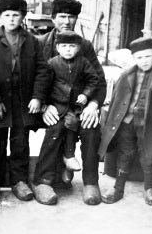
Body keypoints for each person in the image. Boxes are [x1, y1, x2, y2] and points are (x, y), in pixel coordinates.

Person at [33, 0, 106, 205]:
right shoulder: (40, 44)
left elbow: (99, 81)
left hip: (79, 107)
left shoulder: (84, 46)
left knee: (91, 128)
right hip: (50, 106)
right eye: (62, 16)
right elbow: (32, 81)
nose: (67, 21)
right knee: (55, 127)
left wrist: (93, 105)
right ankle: (43, 181)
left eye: (71, 17)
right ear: (52, 18)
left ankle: (91, 182)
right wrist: (44, 106)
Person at [0, 0, 49, 201]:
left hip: (23, 102)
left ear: (23, 17)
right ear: (0, 17)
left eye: (16, 15)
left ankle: (19, 181)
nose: (11, 19)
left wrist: (37, 97)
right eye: (7, 15)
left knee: (20, 142)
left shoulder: (32, 42)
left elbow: (42, 71)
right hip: (0, 103)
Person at [98, 37, 152, 206]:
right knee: (125, 154)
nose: (144, 61)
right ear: (134, 58)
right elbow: (116, 100)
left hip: (150, 126)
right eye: (139, 57)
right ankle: (118, 188)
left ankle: (149, 188)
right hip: (127, 123)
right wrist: (113, 123)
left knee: (147, 155)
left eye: (148, 56)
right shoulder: (127, 75)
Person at [45, 31, 100, 187]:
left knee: (84, 124)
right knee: (67, 123)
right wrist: (46, 104)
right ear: (57, 47)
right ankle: (68, 157)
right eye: (64, 46)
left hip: (76, 104)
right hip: (59, 105)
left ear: (78, 48)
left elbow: (94, 80)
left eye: (72, 46)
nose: (68, 49)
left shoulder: (83, 62)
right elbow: (45, 84)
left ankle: (72, 164)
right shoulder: (52, 63)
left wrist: (86, 94)